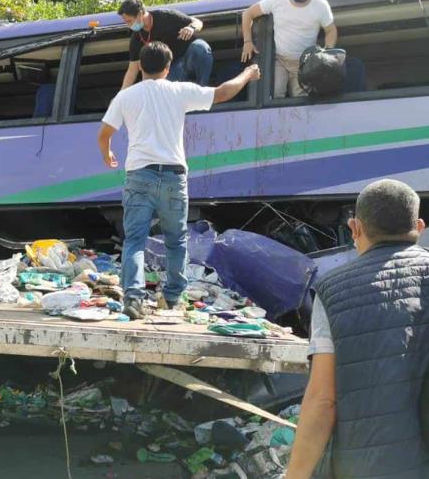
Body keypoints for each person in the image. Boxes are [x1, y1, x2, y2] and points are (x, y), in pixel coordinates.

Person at [97, 42, 259, 319]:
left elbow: (104, 133)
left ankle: (133, 299)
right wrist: (248, 74)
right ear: (168, 67)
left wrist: (107, 153)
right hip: (173, 177)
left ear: (141, 67)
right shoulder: (178, 90)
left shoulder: (126, 96)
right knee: (176, 240)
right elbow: (221, 93)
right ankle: (172, 298)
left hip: (139, 175)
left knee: (135, 240)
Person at [287, 179, 429, 479]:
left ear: (355, 228)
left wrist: (295, 475)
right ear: (419, 226)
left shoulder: (332, 291)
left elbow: (322, 401)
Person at [241, 0, 338, 98]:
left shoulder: (321, 5)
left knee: (301, 103)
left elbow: (330, 30)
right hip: (279, 60)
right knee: (273, 97)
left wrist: (326, 54)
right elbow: (247, 14)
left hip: (304, 63)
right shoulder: (276, 1)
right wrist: (247, 41)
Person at [118, 0, 213, 90]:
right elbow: (132, 70)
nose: (129, 25)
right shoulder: (137, 38)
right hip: (171, 69)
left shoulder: (166, 16)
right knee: (162, 84)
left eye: (129, 21)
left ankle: (202, 89)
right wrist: (120, 95)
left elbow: (197, 22)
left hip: (188, 56)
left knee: (200, 48)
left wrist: (191, 28)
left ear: (140, 14)